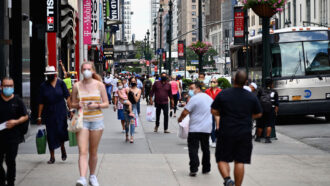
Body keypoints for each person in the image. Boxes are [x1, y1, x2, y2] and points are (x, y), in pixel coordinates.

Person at [211, 71, 262, 186]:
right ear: (246, 82)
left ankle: (228, 180)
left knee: (222, 158)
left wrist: (223, 113)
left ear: (233, 80)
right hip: (244, 132)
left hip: (226, 131)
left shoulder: (223, 94)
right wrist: (248, 116)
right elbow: (259, 113)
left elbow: (213, 110)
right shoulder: (250, 96)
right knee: (240, 161)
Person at [71, 62, 109, 186]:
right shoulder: (76, 85)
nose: (86, 71)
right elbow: (71, 104)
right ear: (81, 71)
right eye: (84, 69)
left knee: (93, 151)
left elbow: (106, 103)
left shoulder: (100, 85)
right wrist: (78, 105)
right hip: (81, 120)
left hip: (96, 120)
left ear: (93, 71)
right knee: (82, 150)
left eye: (88, 69)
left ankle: (92, 176)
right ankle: (82, 177)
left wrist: (97, 105)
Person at [178, 81, 213, 177]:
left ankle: (194, 168)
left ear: (198, 88)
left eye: (192, 88)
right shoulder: (209, 98)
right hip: (206, 128)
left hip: (195, 128)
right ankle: (206, 168)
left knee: (193, 149)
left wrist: (180, 119)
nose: (190, 91)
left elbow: (185, 112)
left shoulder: (194, 99)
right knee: (205, 148)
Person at [37, 66, 70, 164]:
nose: (49, 76)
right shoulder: (43, 86)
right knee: (51, 134)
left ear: (54, 74)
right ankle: (52, 156)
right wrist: (39, 116)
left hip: (61, 111)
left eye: (50, 75)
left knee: (61, 131)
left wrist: (71, 110)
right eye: (47, 75)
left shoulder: (61, 83)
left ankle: (62, 148)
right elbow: (41, 102)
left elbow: (67, 97)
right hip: (49, 112)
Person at [0, 77, 29, 186]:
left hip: (13, 137)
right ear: (1, 87)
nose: (8, 88)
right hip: (0, 136)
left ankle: (11, 182)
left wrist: (16, 122)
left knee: (10, 161)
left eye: (10, 86)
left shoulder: (18, 101)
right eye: (6, 86)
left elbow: (25, 116)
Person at [255, 78, 279, 143]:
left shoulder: (260, 90)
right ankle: (267, 139)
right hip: (270, 110)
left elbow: (257, 100)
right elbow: (276, 103)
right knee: (269, 124)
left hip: (261, 109)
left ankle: (258, 138)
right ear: (271, 84)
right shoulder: (274, 92)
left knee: (260, 125)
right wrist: (276, 112)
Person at [205, 78, 222, 148]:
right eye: (211, 81)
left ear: (217, 83)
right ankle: (213, 140)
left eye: (214, 82)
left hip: (218, 110)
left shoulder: (220, 91)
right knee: (211, 126)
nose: (212, 83)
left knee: (219, 126)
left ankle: (218, 139)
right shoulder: (207, 91)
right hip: (210, 110)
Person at [127, 77, 142, 143]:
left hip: (134, 107)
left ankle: (132, 136)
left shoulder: (139, 90)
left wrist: (132, 93)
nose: (133, 82)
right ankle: (126, 134)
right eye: (132, 81)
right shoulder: (127, 89)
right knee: (127, 123)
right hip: (126, 106)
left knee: (132, 122)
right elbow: (125, 98)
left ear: (136, 82)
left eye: (134, 81)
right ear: (129, 82)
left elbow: (136, 100)